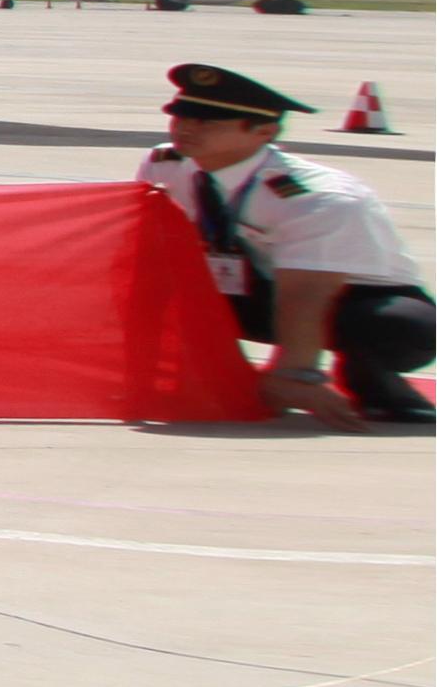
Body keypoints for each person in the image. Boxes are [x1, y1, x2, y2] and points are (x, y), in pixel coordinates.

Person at [147, 63, 431, 429]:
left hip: (350, 297)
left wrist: (296, 374)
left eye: (208, 122)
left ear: (264, 132)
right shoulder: (165, 163)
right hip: (252, 287)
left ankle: (373, 383)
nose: (185, 128)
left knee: (394, 325)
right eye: (181, 116)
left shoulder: (317, 198)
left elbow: (305, 294)